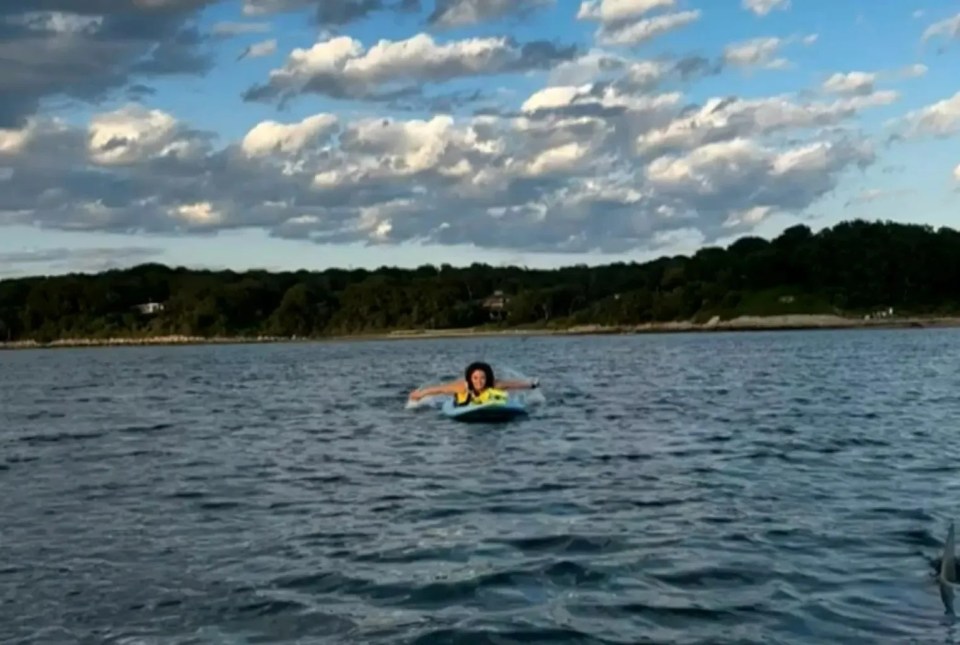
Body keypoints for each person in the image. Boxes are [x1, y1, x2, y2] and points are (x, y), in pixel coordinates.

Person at [409, 361, 539, 405]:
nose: (479, 381)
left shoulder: (493, 385)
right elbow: (440, 389)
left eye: (482, 378)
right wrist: (420, 394)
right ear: (470, 379)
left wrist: (532, 385)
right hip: (465, 402)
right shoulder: (462, 387)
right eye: (475, 378)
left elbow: (514, 385)